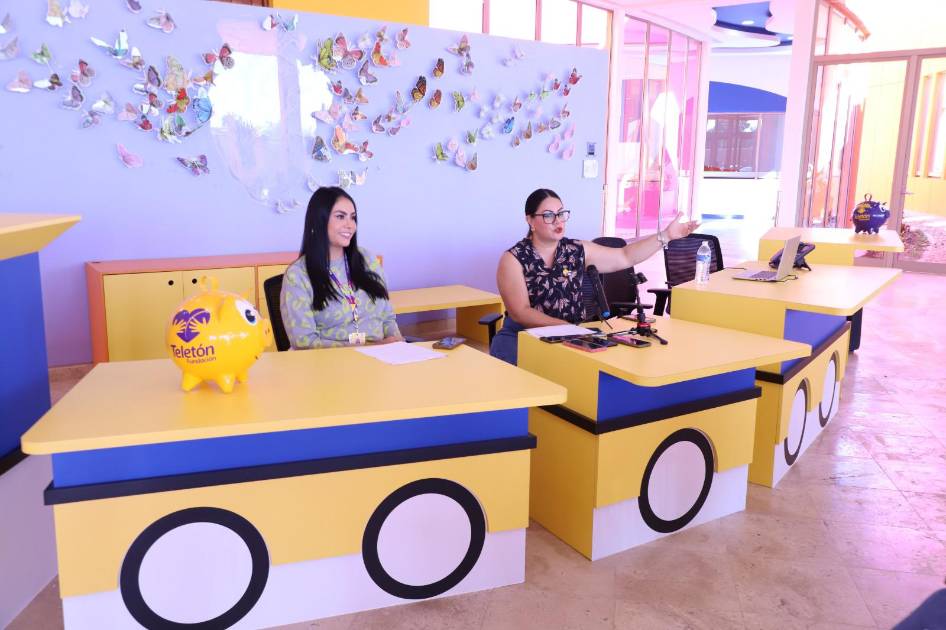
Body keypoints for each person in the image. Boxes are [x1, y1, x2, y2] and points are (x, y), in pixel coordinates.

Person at [490, 188, 699, 364]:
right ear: (530, 220)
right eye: (548, 215)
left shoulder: (576, 250)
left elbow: (625, 256)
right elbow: (521, 313)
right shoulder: (513, 259)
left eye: (561, 213)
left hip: (569, 337)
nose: (557, 221)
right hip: (523, 338)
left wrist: (666, 236)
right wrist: (567, 328)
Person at [280, 186, 401, 349]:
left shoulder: (368, 260)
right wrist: (371, 348)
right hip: (329, 362)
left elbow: (387, 317)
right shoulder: (298, 275)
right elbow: (304, 342)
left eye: (353, 217)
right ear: (319, 221)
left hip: (381, 357)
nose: (350, 225)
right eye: (340, 216)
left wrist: (398, 345)